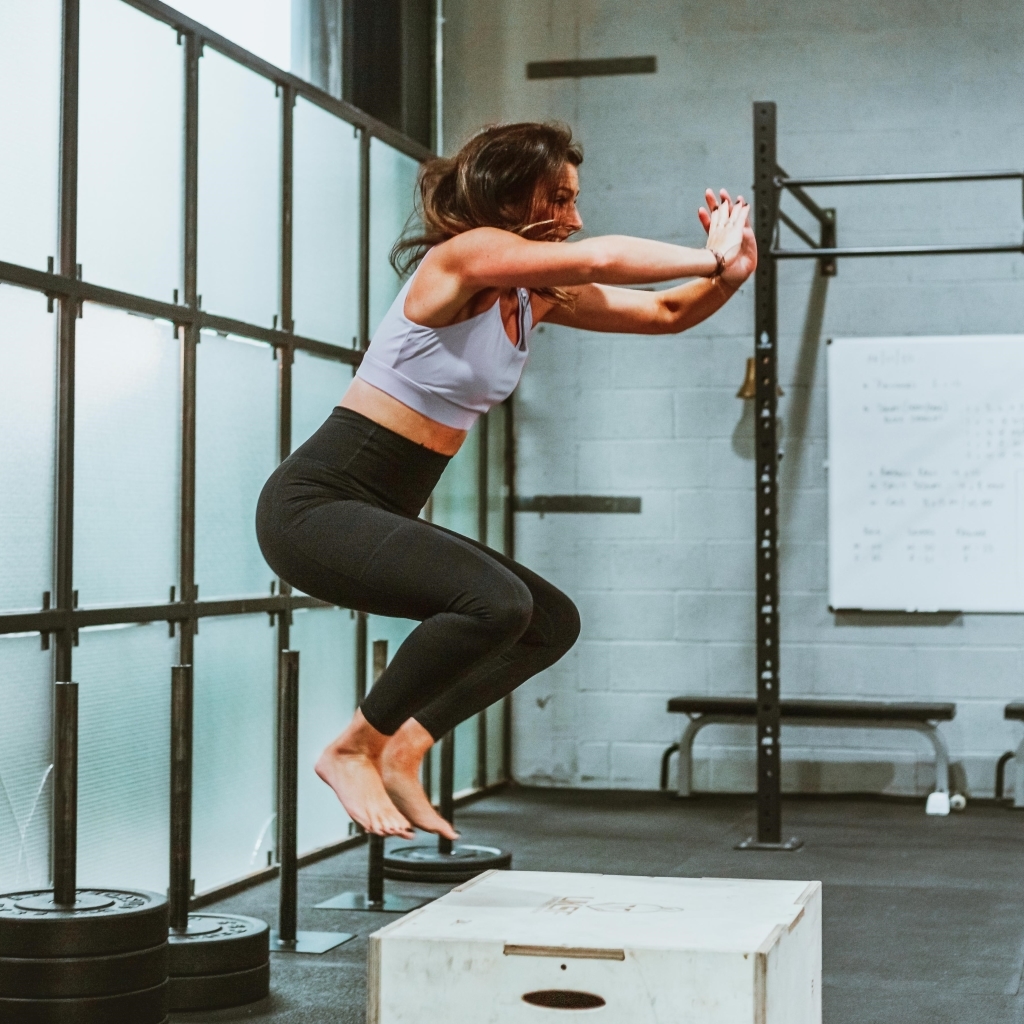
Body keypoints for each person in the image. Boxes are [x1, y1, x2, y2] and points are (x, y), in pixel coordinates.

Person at [256, 121, 756, 839]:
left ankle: (405, 746)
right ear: (510, 192)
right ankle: (352, 747)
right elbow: (607, 255)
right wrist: (704, 254)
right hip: (315, 506)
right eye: (560, 197)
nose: (575, 217)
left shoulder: (533, 293)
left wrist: (726, 278)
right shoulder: (465, 256)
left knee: (546, 623)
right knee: (493, 602)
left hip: (379, 511)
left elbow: (666, 312)